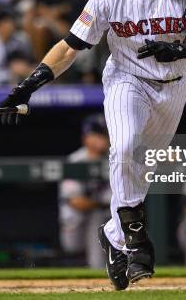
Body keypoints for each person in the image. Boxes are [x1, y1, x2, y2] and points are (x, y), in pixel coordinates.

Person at [0, 0, 186, 290]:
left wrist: (181, 48)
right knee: (123, 148)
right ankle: (135, 243)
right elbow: (72, 46)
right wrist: (30, 84)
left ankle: (112, 234)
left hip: (174, 84)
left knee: (140, 168)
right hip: (127, 79)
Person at [59, 114, 111, 269]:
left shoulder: (115, 158)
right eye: (96, 135)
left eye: (104, 135)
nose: (100, 139)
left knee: (104, 216)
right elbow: (77, 203)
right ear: (85, 138)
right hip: (75, 228)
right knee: (98, 214)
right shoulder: (75, 161)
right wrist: (103, 204)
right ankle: (98, 270)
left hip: (107, 221)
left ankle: (102, 268)